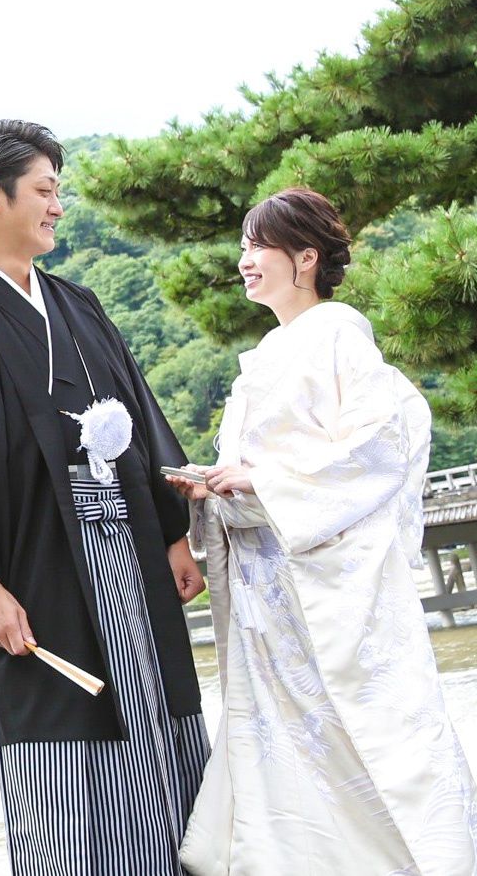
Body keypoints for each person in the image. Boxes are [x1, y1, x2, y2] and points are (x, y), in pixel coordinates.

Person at [0, 119, 210, 875]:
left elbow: (140, 418)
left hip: (128, 545)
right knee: (68, 745)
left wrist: (173, 533)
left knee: (158, 715)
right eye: (44, 190)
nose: (57, 206)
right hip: (36, 566)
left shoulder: (79, 305)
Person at [169, 188, 477, 875]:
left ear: (305, 258)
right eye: (244, 246)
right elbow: (255, 473)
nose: (245, 260)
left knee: (359, 732)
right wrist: (213, 488)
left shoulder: (339, 334)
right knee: (284, 740)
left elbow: (379, 447)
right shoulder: (267, 354)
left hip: (322, 580)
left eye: (259, 246)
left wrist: (263, 481)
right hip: (269, 590)